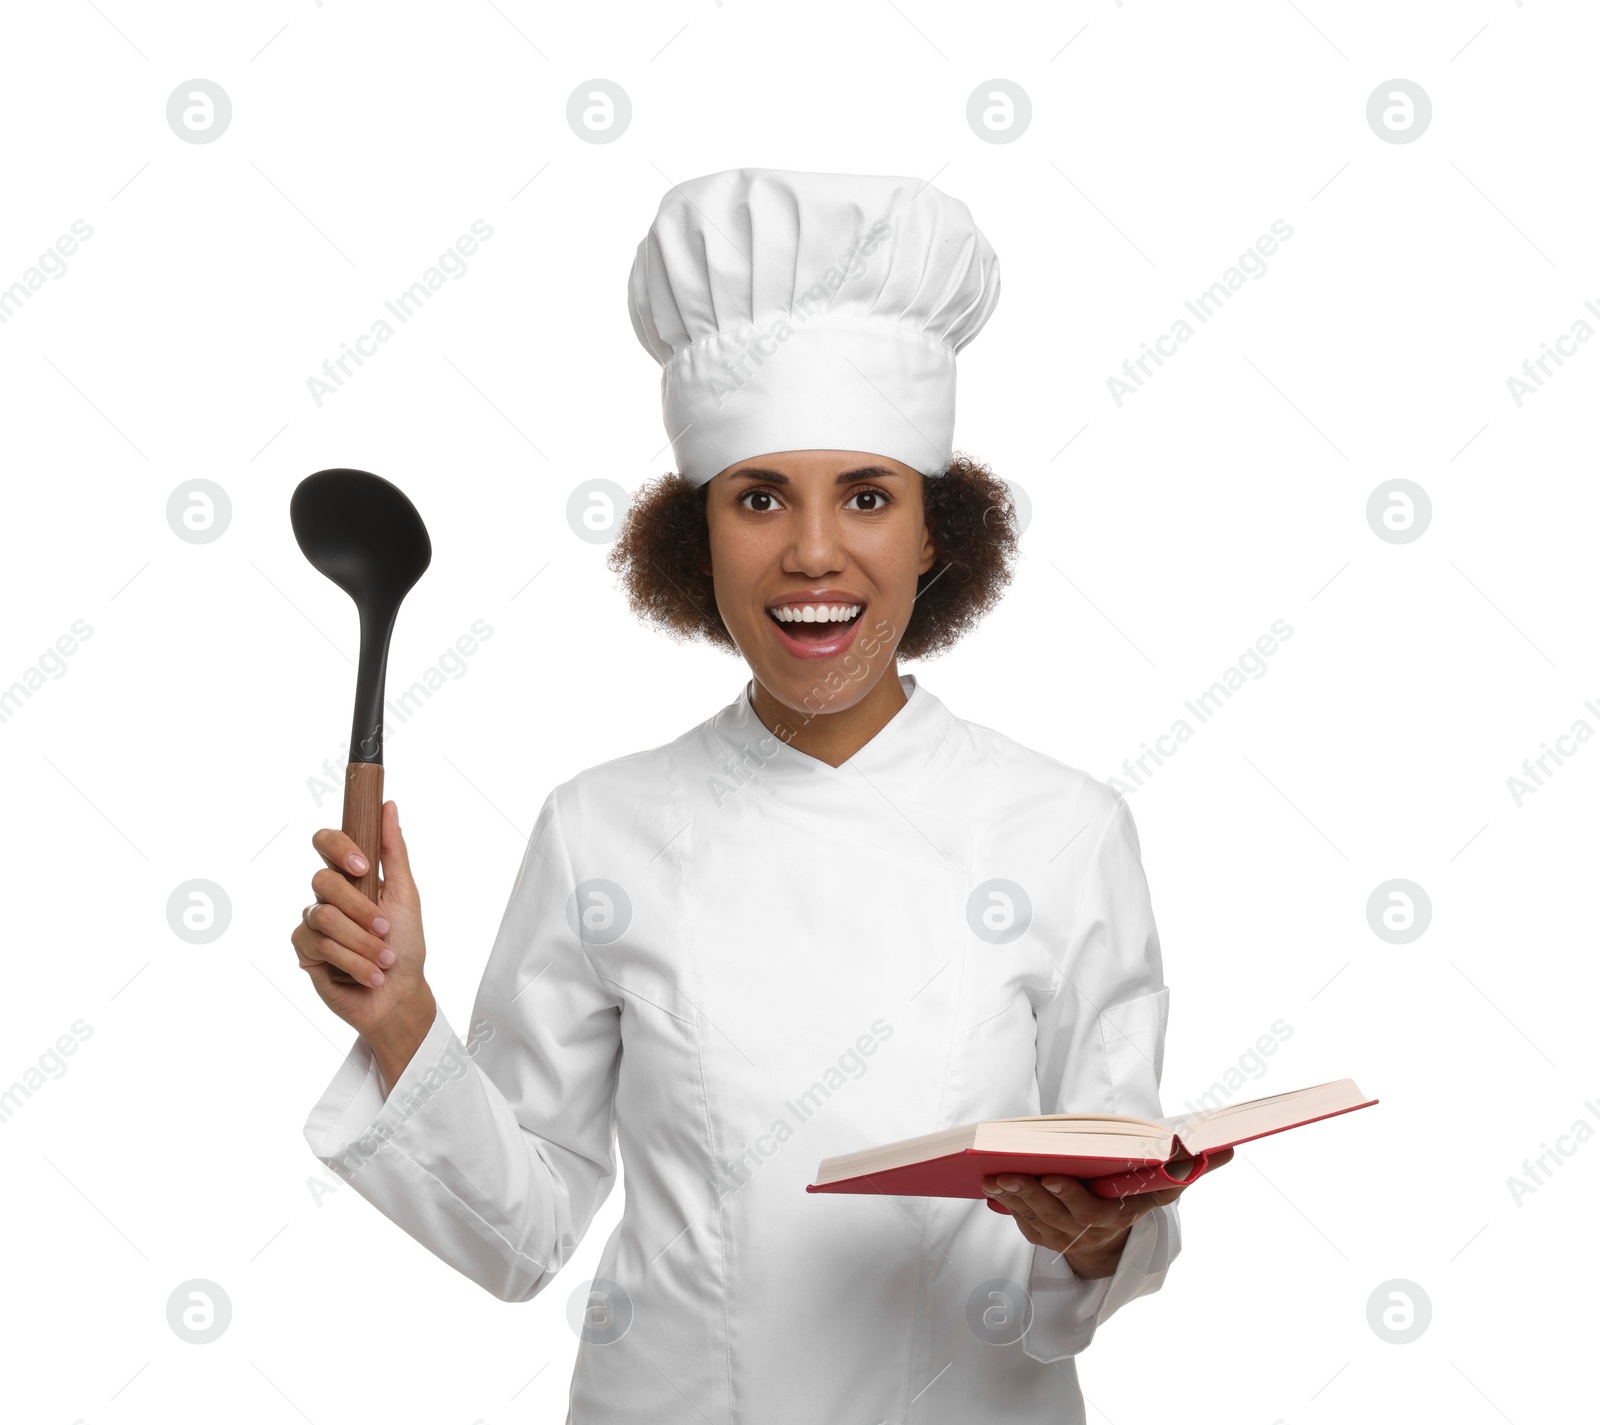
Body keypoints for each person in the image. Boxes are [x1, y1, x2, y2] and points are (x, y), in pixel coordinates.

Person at [293, 168, 1229, 1424]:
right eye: (758, 498)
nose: (811, 553)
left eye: (867, 496)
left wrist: (1096, 1239)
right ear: (696, 538)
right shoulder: (599, 829)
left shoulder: (1063, 830)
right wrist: (402, 1015)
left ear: (934, 533)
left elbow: (1112, 1210)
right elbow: (522, 1234)